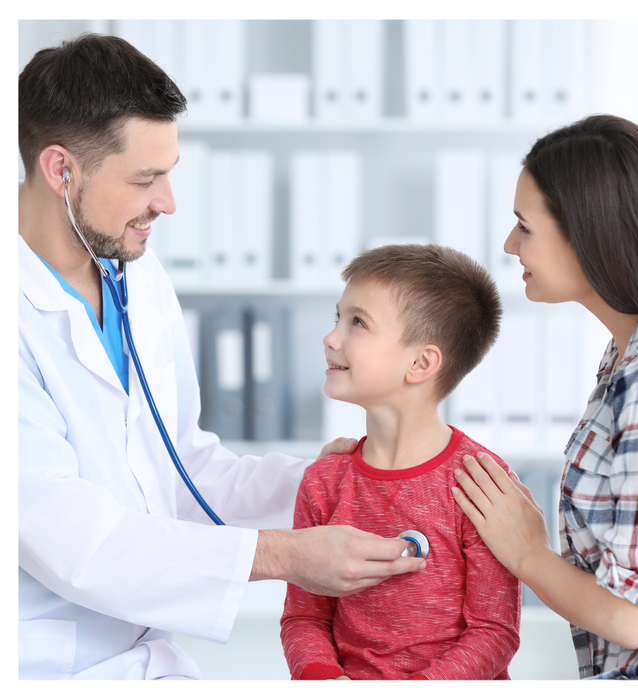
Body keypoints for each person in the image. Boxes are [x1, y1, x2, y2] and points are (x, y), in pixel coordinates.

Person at [18, 33, 425, 680]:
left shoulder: (136, 278)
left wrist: (316, 484)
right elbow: (76, 544)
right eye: (146, 179)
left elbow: (182, 468)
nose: (168, 202)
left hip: (145, 660)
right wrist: (288, 557)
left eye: (170, 172)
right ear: (60, 169)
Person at [451, 115, 638, 680]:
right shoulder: (627, 352)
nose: (509, 245)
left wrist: (526, 551)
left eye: (523, 227)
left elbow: (630, 619)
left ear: (589, 231)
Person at [280, 243, 521, 680]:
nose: (331, 338)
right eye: (338, 317)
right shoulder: (324, 481)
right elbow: (304, 619)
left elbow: (494, 632)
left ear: (421, 363)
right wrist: (325, 679)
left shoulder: (482, 482)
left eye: (358, 323)